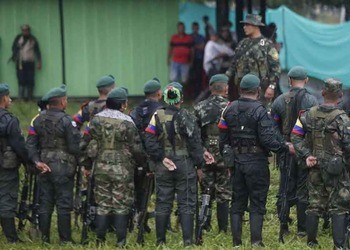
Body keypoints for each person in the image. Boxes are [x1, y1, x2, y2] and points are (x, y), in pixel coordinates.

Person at [218, 74, 294, 247]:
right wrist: (285, 146)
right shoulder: (260, 111)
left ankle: (236, 243)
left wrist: (228, 160)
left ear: (240, 90)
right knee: (257, 202)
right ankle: (256, 242)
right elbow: (268, 140)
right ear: (258, 90)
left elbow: (223, 140)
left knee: (237, 203)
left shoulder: (228, 109)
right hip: (257, 163)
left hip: (236, 162)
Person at [144, 82, 213, 246]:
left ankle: (160, 242)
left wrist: (161, 157)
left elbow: (149, 139)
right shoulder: (187, 116)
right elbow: (195, 144)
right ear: (181, 98)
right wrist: (200, 164)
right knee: (187, 203)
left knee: (163, 203)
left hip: (164, 165)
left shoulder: (157, 115)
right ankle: (188, 241)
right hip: (185, 164)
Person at [83, 87, 146, 247]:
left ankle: (100, 240)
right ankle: (121, 241)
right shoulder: (127, 121)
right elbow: (137, 148)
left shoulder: (96, 120)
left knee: (103, 205)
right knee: (121, 205)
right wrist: (143, 165)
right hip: (122, 170)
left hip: (101, 168)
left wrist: (86, 165)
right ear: (123, 104)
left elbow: (84, 143)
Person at [291, 79, 350, 248]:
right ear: (340, 95)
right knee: (339, 206)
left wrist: (307, 154)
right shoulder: (343, 119)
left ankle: (311, 242)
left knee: (314, 204)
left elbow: (295, 136)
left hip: (314, 164)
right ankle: (339, 245)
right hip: (337, 169)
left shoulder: (307, 114)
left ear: (322, 93)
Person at [26, 85, 81, 244]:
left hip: (44, 165)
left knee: (45, 203)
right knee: (64, 204)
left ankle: (45, 239)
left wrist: (37, 162)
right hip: (63, 167)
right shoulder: (67, 121)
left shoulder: (36, 120)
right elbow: (73, 147)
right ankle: (65, 240)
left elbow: (30, 145)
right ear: (63, 102)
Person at [271, 66, 318, 237]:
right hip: (305, 151)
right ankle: (302, 229)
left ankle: (283, 225)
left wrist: (285, 143)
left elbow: (272, 127)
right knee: (303, 188)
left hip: (286, 151)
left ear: (289, 81)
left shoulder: (279, 100)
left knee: (284, 186)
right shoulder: (312, 101)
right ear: (306, 80)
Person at [194, 74, 231, 233]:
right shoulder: (231, 107)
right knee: (224, 193)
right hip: (225, 155)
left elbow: (194, 135)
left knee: (206, 190)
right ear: (226, 88)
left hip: (205, 155)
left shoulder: (199, 107)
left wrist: (201, 153)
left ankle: (205, 224)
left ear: (211, 88)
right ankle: (223, 228)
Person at [129, 79, 163, 230]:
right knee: (154, 190)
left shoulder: (136, 110)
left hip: (137, 157)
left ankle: (137, 217)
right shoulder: (161, 110)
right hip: (155, 155)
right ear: (158, 93)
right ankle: (146, 221)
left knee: (138, 189)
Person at [226, 14, 280, 104]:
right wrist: (224, 79)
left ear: (255, 26)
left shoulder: (267, 45)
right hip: (242, 91)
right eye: (244, 25)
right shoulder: (242, 44)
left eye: (247, 25)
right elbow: (233, 64)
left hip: (261, 91)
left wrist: (271, 86)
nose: (244, 27)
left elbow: (275, 68)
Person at [0, 83, 29, 243]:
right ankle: (11, 238)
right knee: (6, 198)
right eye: (8, 96)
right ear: (4, 98)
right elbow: (19, 145)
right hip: (6, 167)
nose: (10, 100)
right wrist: (28, 162)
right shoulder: (10, 120)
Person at [10, 24, 42, 101]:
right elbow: (13, 48)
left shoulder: (33, 39)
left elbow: (37, 51)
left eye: (26, 30)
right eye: (23, 30)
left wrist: (39, 62)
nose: (25, 32)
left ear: (29, 31)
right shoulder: (18, 38)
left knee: (30, 80)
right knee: (21, 79)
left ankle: (30, 98)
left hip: (30, 62)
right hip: (20, 62)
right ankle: (21, 98)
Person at [189, 22, 206, 98]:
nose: (195, 29)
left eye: (196, 27)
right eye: (194, 27)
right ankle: (191, 94)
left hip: (199, 59)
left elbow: (202, 47)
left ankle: (197, 94)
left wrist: (193, 46)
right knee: (191, 77)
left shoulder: (201, 37)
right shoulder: (189, 36)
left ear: (198, 28)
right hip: (189, 60)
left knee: (198, 77)